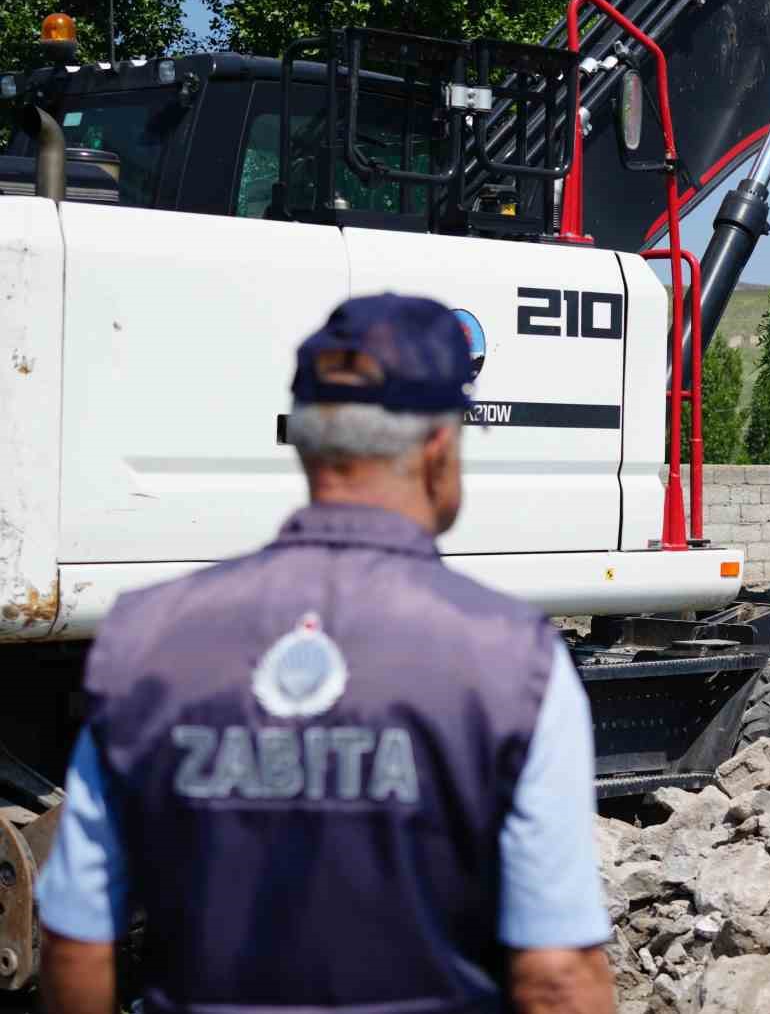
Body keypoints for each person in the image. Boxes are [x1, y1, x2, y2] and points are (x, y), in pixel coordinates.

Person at [36, 293, 615, 1014]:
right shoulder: (514, 660)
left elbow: (76, 942)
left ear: (308, 444)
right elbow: (556, 978)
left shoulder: (143, 640)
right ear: (439, 449)